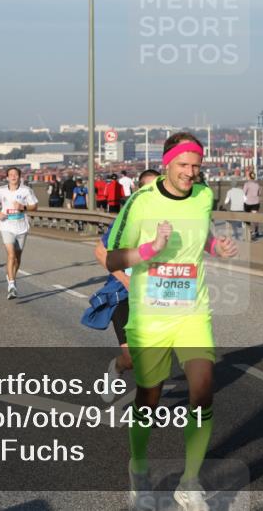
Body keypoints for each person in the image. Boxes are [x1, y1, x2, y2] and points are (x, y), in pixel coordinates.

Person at [105, 132, 238, 510]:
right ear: (167, 163)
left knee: (203, 388)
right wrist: (151, 250)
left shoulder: (203, 196)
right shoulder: (141, 202)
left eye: (196, 166)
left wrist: (218, 247)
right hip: (150, 316)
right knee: (149, 396)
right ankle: (139, 470)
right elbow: (113, 259)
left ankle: (190, 482)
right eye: (183, 165)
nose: (190, 173)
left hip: (192, 311)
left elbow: (202, 236)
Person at [89, 169, 160, 395]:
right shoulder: (127, 221)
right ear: (138, 191)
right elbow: (101, 252)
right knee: (132, 358)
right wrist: (126, 279)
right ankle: (117, 367)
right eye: (148, 189)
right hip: (124, 293)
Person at [0, 167, 39, 299]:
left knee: (18, 257)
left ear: (19, 177)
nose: (13, 177)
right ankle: (11, 285)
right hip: (6, 226)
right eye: (10, 175)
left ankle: (11, 276)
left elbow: (35, 206)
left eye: (15, 174)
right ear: (7, 177)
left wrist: (23, 207)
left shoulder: (26, 190)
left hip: (21, 227)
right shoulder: (1, 191)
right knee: (11, 255)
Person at [242, 171, 262, 238]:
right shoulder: (257, 184)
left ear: (249, 176)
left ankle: (249, 231)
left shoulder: (247, 184)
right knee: (255, 217)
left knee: (247, 217)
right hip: (256, 203)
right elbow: (259, 194)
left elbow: (243, 193)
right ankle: (256, 231)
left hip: (248, 203)